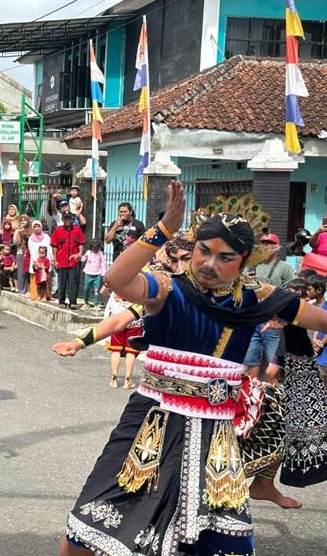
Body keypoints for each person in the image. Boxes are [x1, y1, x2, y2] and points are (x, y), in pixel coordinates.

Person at [57, 182, 327, 556]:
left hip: (215, 435)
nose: (209, 264)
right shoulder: (169, 288)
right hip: (150, 423)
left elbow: (318, 318)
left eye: (225, 257)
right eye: (204, 251)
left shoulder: (260, 298)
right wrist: (164, 228)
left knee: (221, 542)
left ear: (245, 259)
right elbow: (117, 280)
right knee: (86, 533)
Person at [278, 278, 327, 488]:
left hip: (305, 370)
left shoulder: (304, 313)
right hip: (292, 372)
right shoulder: (279, 319)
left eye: (302, 294)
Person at [244, 232, 297, 381]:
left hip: (272, 321)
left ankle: (275, 398)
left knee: (273, 366)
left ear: (278, 248)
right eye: (263, 244)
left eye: (270, 245)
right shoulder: (251, 266)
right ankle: (251, 396)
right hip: (251, 320)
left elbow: (293, 292)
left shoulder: (284, 268)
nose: (267, 247)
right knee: (249, 361)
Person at [51, 211, 85, 309]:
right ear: (62, 219)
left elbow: (81, 243)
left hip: (73, 262)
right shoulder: (58, 230)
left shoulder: (77, 230)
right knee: (62, 282)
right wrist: (55, 259)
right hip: (61, 261)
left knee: (73, 282)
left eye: (69, 218)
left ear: (72, 219)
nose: (67, 220)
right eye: (65, 218)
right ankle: (61, 301)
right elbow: (54, 246)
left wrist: (80, 253)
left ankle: (72, 302)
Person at [80, 240, 105, 309]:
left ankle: (96, 304)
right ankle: (86, 302)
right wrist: (79, 257)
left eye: (97, 248)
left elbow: (102, 264)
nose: (95, 249)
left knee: (96, 290)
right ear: (91, 247)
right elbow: (83, 259)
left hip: (97, 275)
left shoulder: (101, 253)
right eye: (94, 248)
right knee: (86, 289)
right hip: (88, 274)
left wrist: (103, 274)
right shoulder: (88, 252)